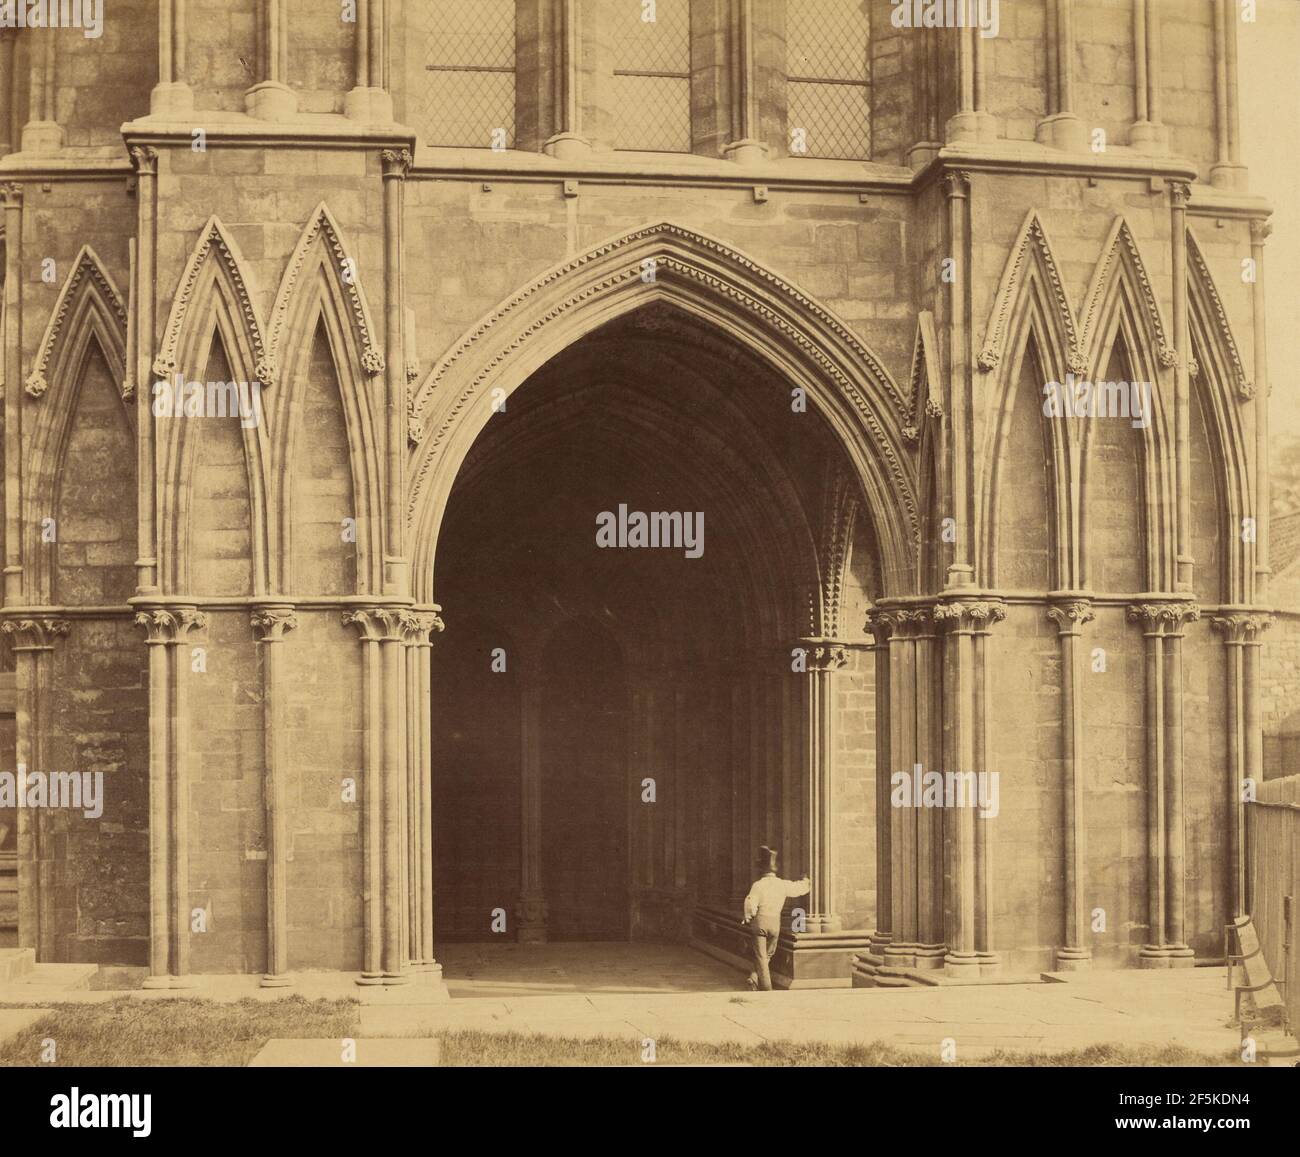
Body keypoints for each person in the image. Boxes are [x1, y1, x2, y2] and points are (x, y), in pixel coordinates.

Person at [741, 845, 809, 991]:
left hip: (760, 922)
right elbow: (799, 888)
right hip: (775, 923)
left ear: (761, 870)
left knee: (761, 956)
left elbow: (750, 903)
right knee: (768, 955)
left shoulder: (758, 885)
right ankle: (754, 978)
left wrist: (748, 916)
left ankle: (767, 989)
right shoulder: (782, 884)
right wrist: (806, 880)